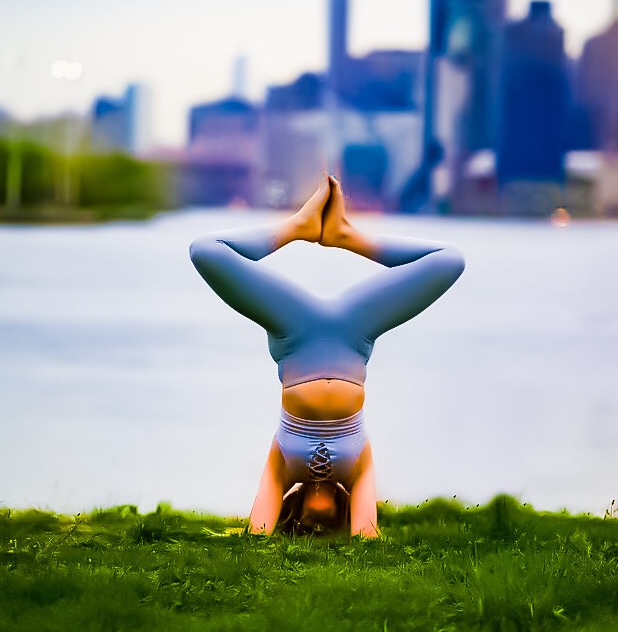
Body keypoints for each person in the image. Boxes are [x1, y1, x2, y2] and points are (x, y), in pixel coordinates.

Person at [189, 175, 465, 537]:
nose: (316, 522)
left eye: (307, 526)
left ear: (295, 512)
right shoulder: (357, 469)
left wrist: (259, 535)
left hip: (294, 335)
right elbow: (367, 536)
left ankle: (295, 227)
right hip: (354, 334)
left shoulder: (284, 466)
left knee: (205, 251)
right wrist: (362, 534)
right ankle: (347, 236)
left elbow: (256, 534)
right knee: (450, 260)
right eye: (326, 526)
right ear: (342, 513)